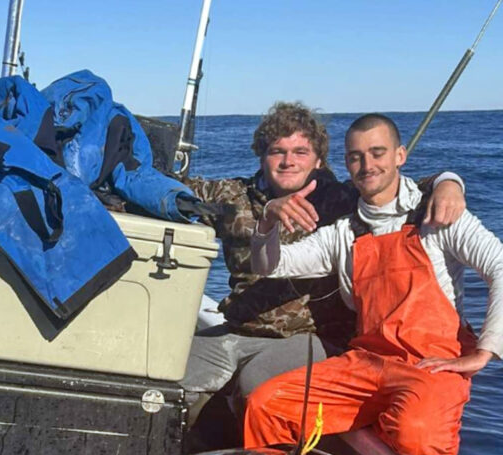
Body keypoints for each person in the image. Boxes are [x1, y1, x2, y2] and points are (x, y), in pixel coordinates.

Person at [243, 114, 503, 455]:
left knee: (419, 437)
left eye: (377, 153)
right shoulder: (343, 233)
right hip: (365, 364)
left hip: (430, 367)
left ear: (400, 156)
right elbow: (269, 265)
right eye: (356, 157)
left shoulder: (438, 214)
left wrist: (485, 353)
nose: (367, 165)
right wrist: (267, 222)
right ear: (347, 163)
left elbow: (499, 266)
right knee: (266, 406)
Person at [183, 102, 466, 404]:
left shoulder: (344, 199)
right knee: (170, 375)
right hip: (238, 328)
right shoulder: (230, 196)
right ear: (262, 156)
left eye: (300, 152)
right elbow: (169, 187)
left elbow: (401, 189)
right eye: (277, 151)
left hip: (313, 338)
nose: (288, 161)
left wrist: (448, 182)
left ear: (319, 160)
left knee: (257, 387)